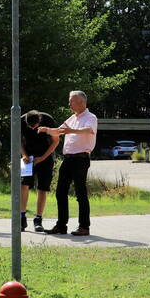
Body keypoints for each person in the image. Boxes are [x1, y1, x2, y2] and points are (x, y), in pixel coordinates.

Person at [38, 90, 97, 236]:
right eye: (69, 101)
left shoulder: (91, 117)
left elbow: (88, 130)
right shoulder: (72, 118)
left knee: (80, 193)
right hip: (68, 159)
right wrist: (47, 130)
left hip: (81, 159)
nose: (69, 104)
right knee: (60, 192)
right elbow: (59, 131)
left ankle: (84, 227)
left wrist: (71, 130)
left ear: (82, 102)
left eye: (72, 101)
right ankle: (61, 225)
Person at [20, 110, 59, 232]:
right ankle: (22, 217)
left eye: (34, 126)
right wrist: (24, 155)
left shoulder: (48, 120)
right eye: (29, 126)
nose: (32, 128)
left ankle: (38, 219)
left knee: (42, 188)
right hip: (28, 157)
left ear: (40, 121)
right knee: (24, 185)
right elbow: (18, 141)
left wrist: (43, 158)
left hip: (45, 156)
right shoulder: (20, 121)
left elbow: (56, 141)